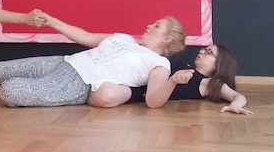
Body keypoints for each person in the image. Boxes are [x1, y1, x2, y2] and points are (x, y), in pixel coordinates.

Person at [0, 13, 188, 108]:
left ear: (166, 39)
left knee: (9, 91)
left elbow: (152, 101)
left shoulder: (160, 64)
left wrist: (172, 81)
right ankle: (7, 83)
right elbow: (84, 36)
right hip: (65, 61)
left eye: (157, 25)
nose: (149, 25)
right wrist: (51, 21)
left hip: (79, 82)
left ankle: (13, 87)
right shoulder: (124, 38)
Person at [87, 44, 253, 115]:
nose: (202, 51)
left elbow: (238, 96)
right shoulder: (183, 64)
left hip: (137, 92)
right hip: (132, 75)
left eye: (209, 52)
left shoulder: (208, 83)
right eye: (204, 49)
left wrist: (235, 106)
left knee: (104, 95)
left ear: (217, 65)